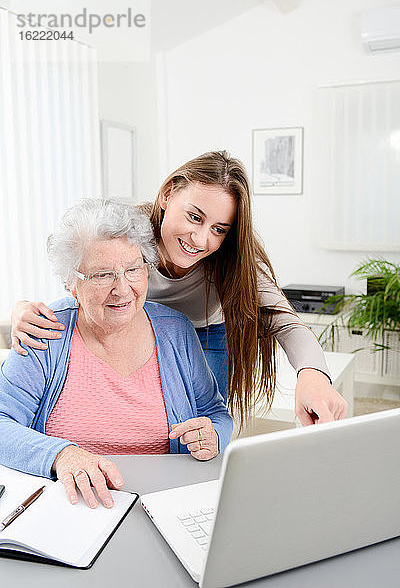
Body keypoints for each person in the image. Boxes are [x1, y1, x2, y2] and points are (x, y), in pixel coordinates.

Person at [11, 151, 347, 426]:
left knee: (202, 428)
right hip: (140, 333)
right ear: (168, 193)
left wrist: (313, 375)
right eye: (195, 217)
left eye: (219, 228)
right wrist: (22, 307)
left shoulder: (235, 258)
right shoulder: (128, 232)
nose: (201, 240)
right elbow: (78, 273)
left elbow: (284, 320)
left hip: (207, 337)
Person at [0, 199, 232, 509]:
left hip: (163, 502)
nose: (122, 289)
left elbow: (215, 413)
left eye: (133, 269)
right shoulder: (45, 331)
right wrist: (61, 454)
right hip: (72, 504)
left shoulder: (175, 330)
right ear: (71, 283)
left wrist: (214, 434)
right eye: (101, 275)